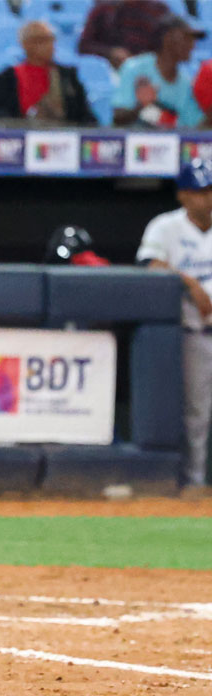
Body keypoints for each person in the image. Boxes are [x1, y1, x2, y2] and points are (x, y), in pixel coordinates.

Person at [136, 160, 212, 497]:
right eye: (200, 191)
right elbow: (150, 265)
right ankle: (194, 483)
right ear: (183, 194)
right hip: (193, 332)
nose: (208, 198)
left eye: (211, 191)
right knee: (196, 414)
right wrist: (190, 283)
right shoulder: (165, 227)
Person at [0, 20, 98, 125]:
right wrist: (17, 123)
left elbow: (87, 116)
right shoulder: (8, 78)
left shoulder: (67, 77)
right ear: (26, 45)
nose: (50, 45)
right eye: (43, 40)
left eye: (51, 39)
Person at [113, 14, 204, 129]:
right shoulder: (134, 68)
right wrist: (141, 105)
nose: (192, 45)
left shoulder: (186, 83)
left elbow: (193, 128)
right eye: (186, 38)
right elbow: (117, 119)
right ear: (167, 38)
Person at [79, 0, 173, 69]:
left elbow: (170, 46)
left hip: (152, 69)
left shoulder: (160, 10)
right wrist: (111, 52)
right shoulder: (103, 9)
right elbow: (84, 45)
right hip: (115, 70)